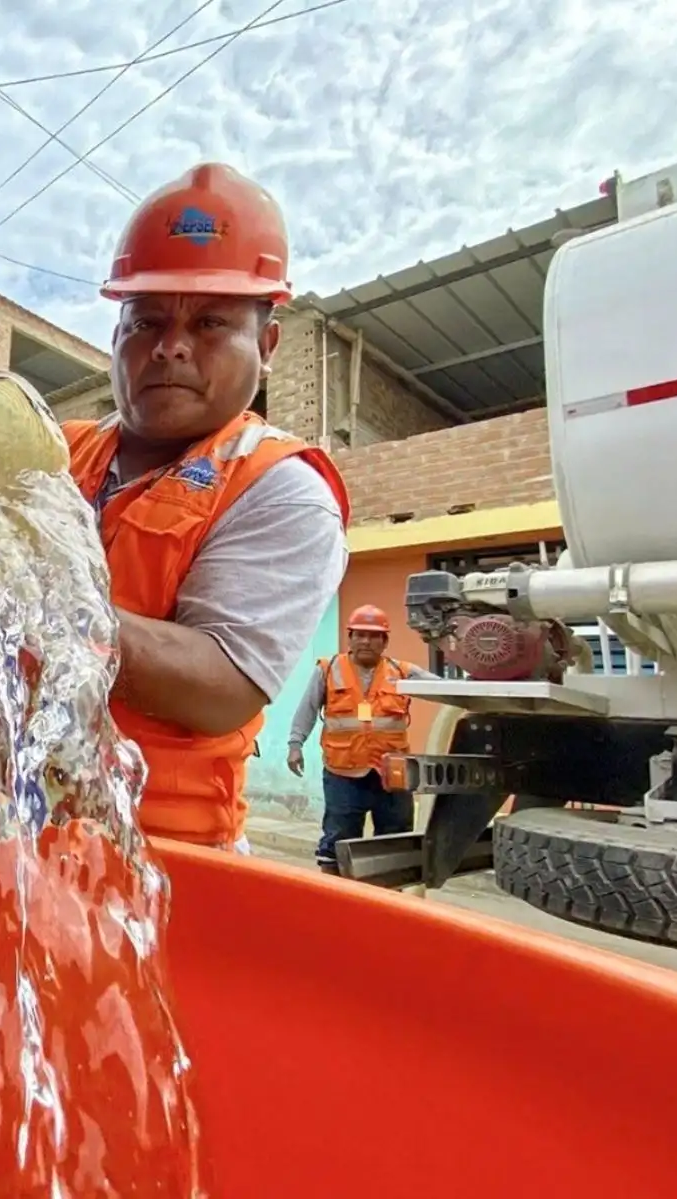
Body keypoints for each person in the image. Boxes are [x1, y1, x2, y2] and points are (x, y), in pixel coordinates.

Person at [59, 163, 352, 855]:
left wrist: (34, 607)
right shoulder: (53, 453)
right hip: (3, 833)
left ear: (268, 345)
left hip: (163, 860)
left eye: (211, 321)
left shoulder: (278, 486)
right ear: (116, 337)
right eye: (147, 320)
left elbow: (221, 683)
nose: (171, 345)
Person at [286, 605, 440, 872]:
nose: (366, 641)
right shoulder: (328, 669)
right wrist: (295, 744)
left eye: (374, 635)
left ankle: (389, 901)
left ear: (385, 641)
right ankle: (337, 900)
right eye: (360, 635)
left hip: (391, 775)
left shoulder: (402, 671)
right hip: (343, 773)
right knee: (339, 840)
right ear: (350, 638)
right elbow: (307, 708)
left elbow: (440, 688)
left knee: (396, 842)